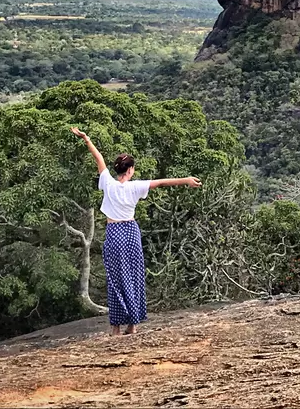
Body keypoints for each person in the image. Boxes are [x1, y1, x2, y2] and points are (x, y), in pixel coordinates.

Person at [71, 127, 202, 336]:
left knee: (115, 279)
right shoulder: (136, 187)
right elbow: (161, 182)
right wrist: (186, 180)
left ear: (117, 169)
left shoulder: (107, 182)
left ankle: (116, 327)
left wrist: (86, 138)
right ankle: (133, 325)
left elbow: (98, 157)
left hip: (114, 233)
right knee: (134, 276)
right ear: (130, 170)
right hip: (131, 232)